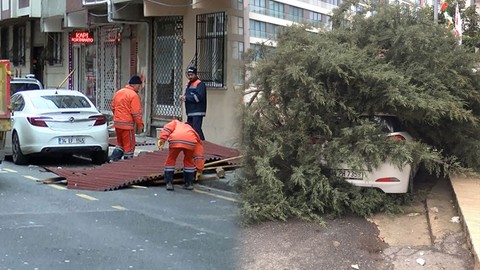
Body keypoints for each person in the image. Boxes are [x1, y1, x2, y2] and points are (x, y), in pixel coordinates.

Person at [157, 119, 204, 191]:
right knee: (188, 161)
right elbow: (198, 154)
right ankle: (189, 184)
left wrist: (162, 139)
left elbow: (167, 129)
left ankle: (169, 183)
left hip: (176, 140)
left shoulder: (175, 122)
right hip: (190, 142)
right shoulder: (192, 130)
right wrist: (199, 169)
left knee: (171, 159)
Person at [110, 75, 144, 161]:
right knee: (129, 146)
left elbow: (113, 107)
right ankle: (127, 163)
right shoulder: (133, 95)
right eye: (139, 86)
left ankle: (113, 159)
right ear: (135, 85)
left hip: (117, 124)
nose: (139, 88)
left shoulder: (119, 92)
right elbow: (136, 113)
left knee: (120, 144)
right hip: (127, 125)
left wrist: (118, 117)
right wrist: (140, 125)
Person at [179, 66, 207, 140]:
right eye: (189, 75)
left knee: (196, 130)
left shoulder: (200, 84)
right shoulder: (189, 84)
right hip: (190, 111)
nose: (190, 77)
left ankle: (203, 144)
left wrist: (186, 98)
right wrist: (184, 97)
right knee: (191, 130)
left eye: (192, 75)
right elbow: (188, 94)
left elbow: (198, 97)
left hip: (197, 111)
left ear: (195, 74)